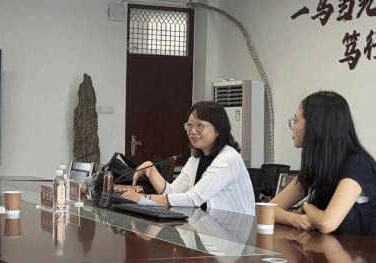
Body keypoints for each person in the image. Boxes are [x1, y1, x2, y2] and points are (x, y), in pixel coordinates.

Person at [122, 101, 255, 215]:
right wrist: (150, 170)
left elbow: (193, 199)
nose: (192, 131)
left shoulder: (228, 158)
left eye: (199, 126)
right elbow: (173, 192)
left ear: (218, 130)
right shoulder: (197, 158)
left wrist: (143, 198)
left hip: (231, 232)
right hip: (206, 226)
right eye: (189, 125)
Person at [272, 90, 376, 235]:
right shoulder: (319, 166)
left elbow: (327, 223)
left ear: (315, 126)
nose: (292, 127)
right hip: (328, 246)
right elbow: (268, 209)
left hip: (358, 248)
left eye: (296, 120)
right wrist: (294, 219)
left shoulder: (357, 164)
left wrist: (307, 207)